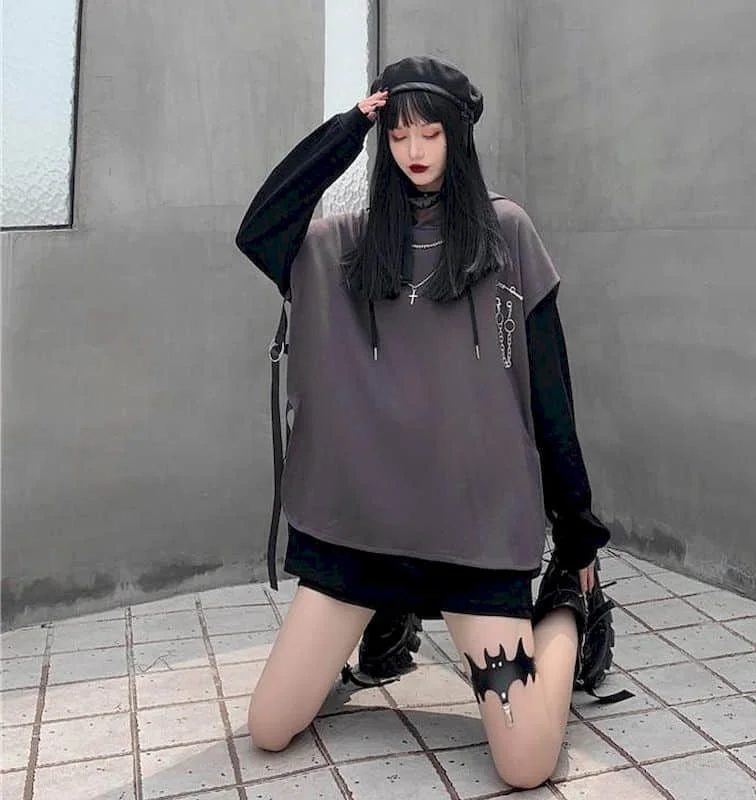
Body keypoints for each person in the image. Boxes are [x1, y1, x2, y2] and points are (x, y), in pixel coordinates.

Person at [235, 56, 626, 790]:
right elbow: (260, 229)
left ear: (458, 137)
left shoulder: (505, 235)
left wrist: (576, 533)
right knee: (269, 728)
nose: (413, 150)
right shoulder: (345, 245)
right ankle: (387, 619)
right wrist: (349, 127)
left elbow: (550, 394)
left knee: (525, 764)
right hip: (361, 537)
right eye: (398, 135)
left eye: (431, 133)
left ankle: (570, 605)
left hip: (472, 538)